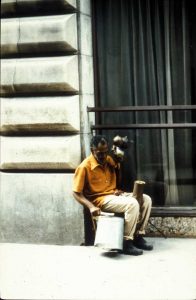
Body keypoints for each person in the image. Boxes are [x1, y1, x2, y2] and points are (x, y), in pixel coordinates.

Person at [72, 135, 153, 255]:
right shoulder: (84, 167)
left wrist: (118, 166)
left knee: (146, 199)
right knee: (132, 204)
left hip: (114, 195)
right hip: (100, 200)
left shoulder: (108, 160)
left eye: (105, 152)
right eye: (100, 153)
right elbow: (76, 193)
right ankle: (126, 242)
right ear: (92, 150)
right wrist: (91, 207)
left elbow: (118, 180)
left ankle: (138, 236)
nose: (104, 156)